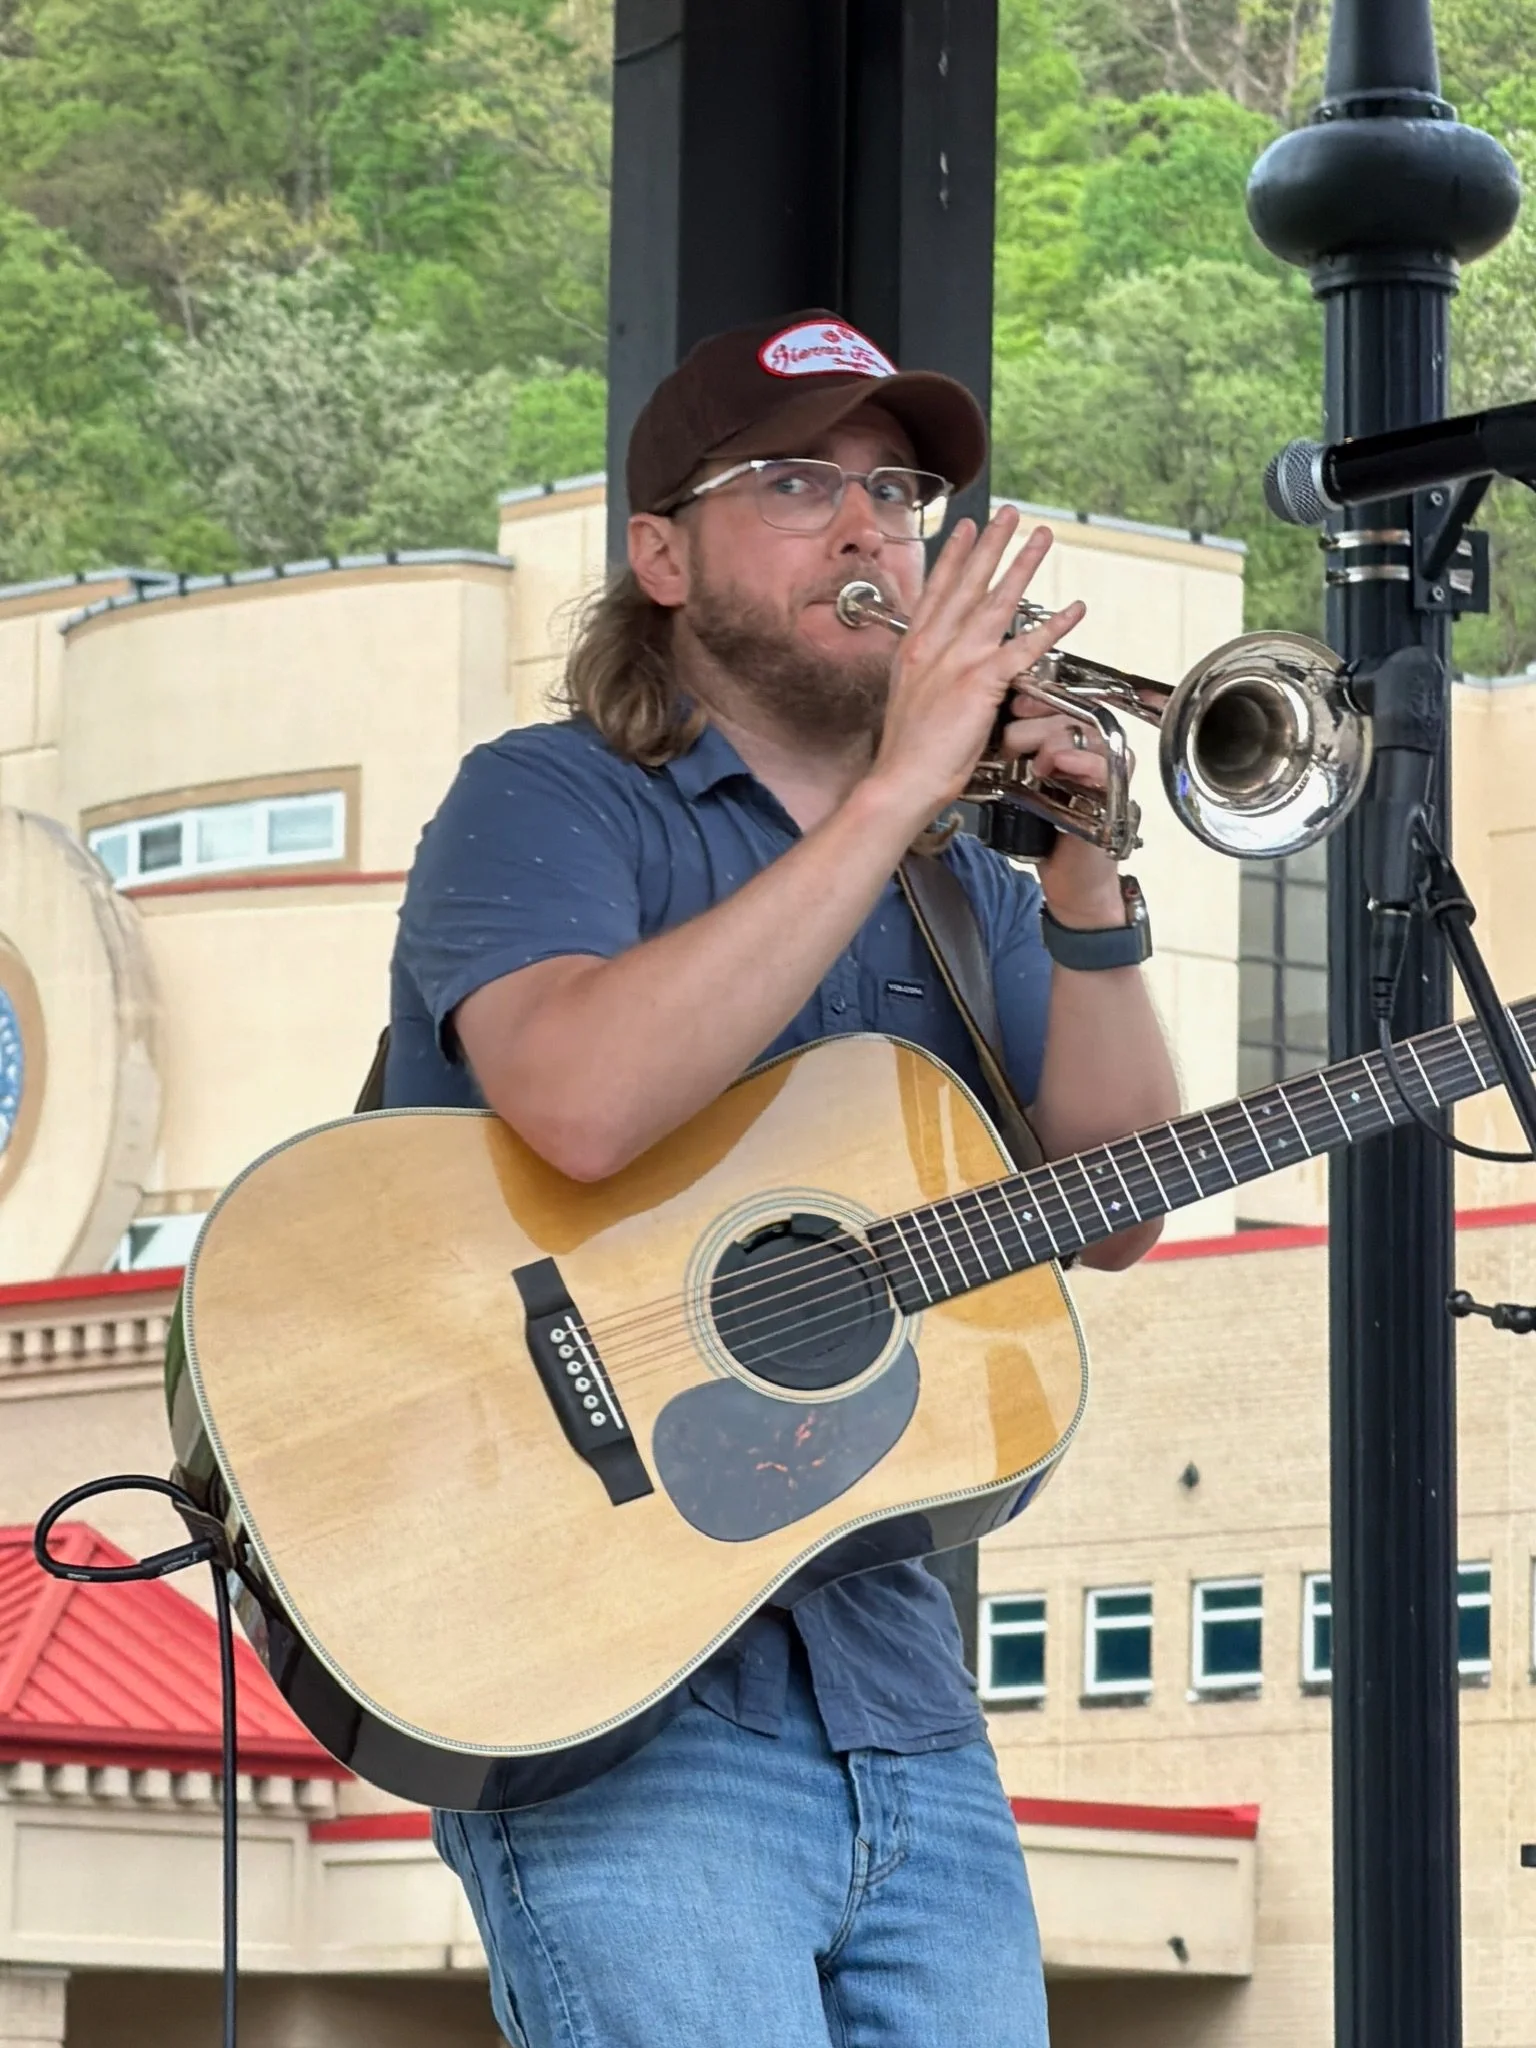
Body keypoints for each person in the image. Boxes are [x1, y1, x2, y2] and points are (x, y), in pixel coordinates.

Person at [385, 309, 1180, 2048]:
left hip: (898, 1702)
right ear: (659, 553)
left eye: (897, 491)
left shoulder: (967, 886)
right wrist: (899, 790)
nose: (870, 529)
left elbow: (1113, 1209)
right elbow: (580, 1105)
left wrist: (1089, 882)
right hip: (606, 1687)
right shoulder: (553, 802)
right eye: (798, 480)